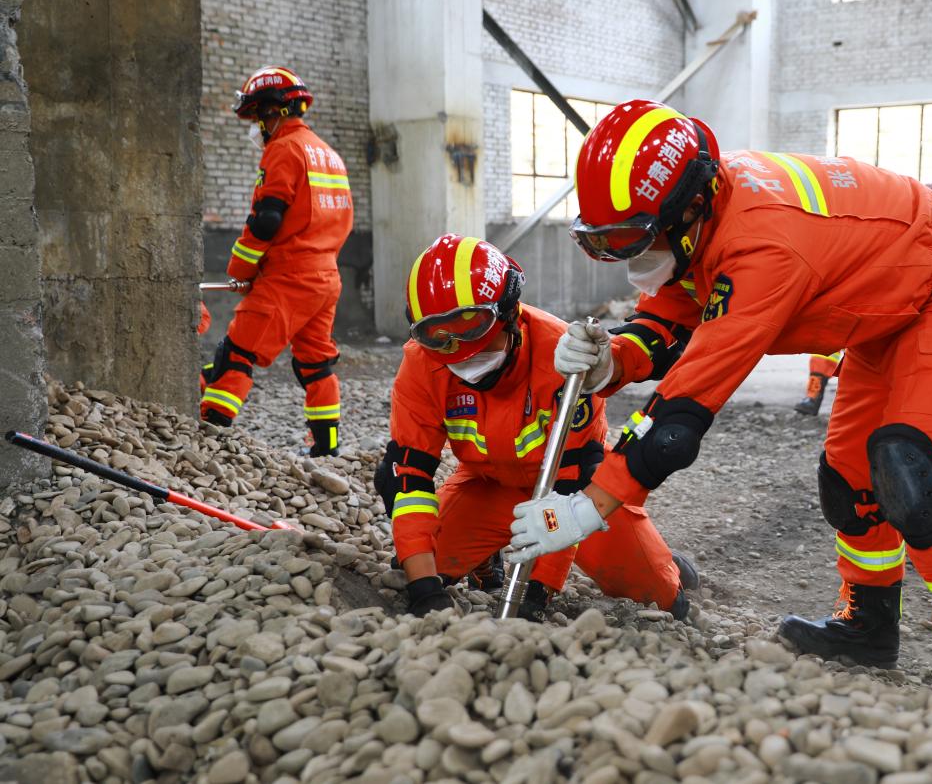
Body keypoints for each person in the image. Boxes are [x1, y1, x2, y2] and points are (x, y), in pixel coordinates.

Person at [506, 99, 932, 711]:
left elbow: (680, 416)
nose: (631, 258)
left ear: (690, 205)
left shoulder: (763, 244)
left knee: (912, 473)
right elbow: (675, 313)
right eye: (605, 243)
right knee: (849, 479)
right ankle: (870, 627)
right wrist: (613, 359)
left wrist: (589, 508)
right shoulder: (704, 209)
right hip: (887, 310)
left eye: (635, 239)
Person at [374, 233, 698, 621]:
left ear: (508, 313)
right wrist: (423, 590)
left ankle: (668, 563)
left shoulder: (565, 357)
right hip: (485, 487)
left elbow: (571, 481)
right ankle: (484, 560)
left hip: (575, 499)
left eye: (472, 327)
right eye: (437, 335)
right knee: (414, 564)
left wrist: (536, 593)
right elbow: (408, 476)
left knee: (663, 600)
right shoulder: (423, 364)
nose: (459, 350)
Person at [200, 65, 352, 457]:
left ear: (275, 111)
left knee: (236, 353)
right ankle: (326, 446)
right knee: (314, 364)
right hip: (326, 278)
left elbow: (268, 219)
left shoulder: (284, 148)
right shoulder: (329, 155)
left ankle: (208, 439)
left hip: (289, 277)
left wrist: (240, 270)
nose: (255, 128)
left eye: (256, 117)